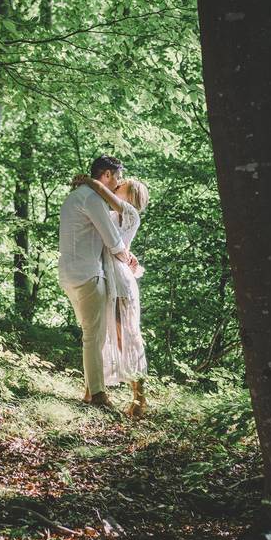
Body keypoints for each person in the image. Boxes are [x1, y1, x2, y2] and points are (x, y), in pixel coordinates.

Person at [58, 155, 138, 409]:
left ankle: (92, 391)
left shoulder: (74, 197)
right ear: (106, 175)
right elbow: (113, 241)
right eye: (117, 177)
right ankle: (98, 395)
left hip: (68, 274)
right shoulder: (93, 199)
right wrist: (128, 259)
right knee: (95, 336)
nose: (118, 182)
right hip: (88, 274)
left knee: (91, 334)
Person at [72, 174, 150, 418]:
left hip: (121, 284)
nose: (115, 189)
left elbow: (101, 191)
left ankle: (139, 398)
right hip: (108, 278)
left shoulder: (131, 214)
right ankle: (92, 389)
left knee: (125, 336)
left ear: (131, 196)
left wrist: (88, 180)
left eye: (121, 188)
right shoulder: (113, 216)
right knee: (102, 335)